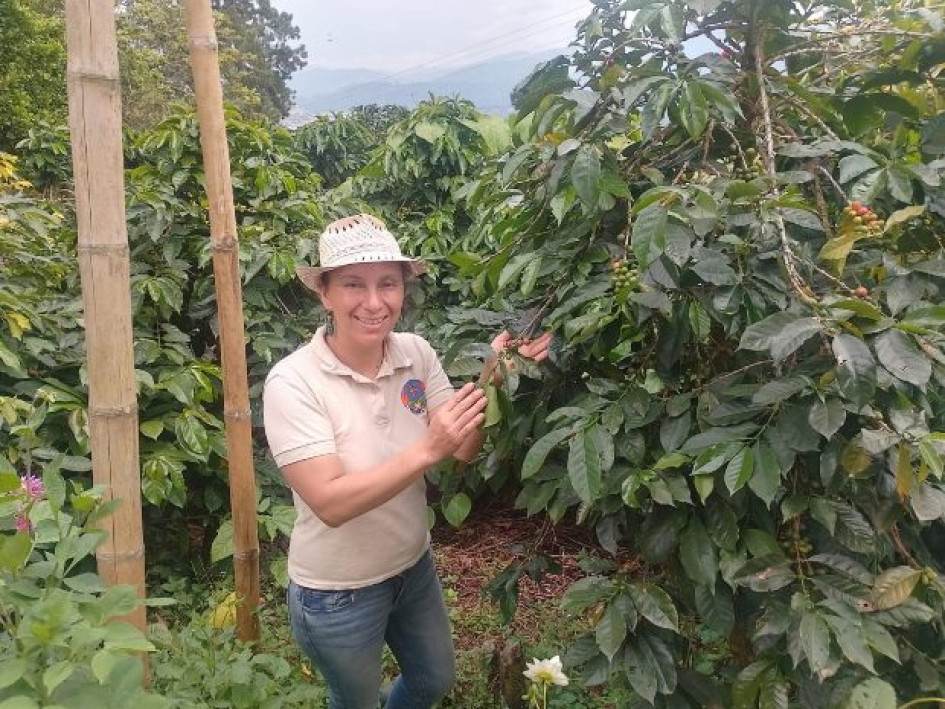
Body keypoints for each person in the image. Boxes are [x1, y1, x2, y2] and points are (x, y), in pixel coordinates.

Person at [262, 214, 552, 709]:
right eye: (354, 284)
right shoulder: (293, 382)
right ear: (324, 294)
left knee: (433, 681)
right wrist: (426, 450)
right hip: (337, 594)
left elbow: (461, 448)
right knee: (356, 703)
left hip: (413, 568)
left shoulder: (415, 353)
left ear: (403, 289)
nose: (374, 302)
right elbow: (330, 503)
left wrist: (494, 379)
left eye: (388, 284)